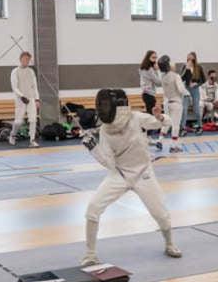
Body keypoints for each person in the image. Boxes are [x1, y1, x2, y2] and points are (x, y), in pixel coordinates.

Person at [80, 89, 181, 265]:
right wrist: (94, 149)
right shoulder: (104, 131)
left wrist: (159, 117)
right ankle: (90, 255)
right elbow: (109, 163)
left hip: (143, 173)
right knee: (93, 208)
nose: (103, 110)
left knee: (161, 215)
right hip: (119, 174)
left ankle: (170, 244)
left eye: (106, 106)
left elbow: (166, 123)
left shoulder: (136, 118)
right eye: (102, 106)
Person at [9, 51, 40, 147]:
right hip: (20, 100)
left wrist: (37, 99)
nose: (26, 61)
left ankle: (32, 140)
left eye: (28, 59)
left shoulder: (31, 71)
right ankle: (13, 135)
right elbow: (14, 87)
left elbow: (34, 86)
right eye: (25, 59)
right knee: (18, 121)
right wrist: (22, 96)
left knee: (33, 120)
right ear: (20, 59)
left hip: (31, 98)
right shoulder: (15, 71)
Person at [158, 54, 188, 152]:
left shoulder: (163, 77)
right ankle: (173, 146)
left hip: (167, 103)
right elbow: (181, 90)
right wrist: (187, 93)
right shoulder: (176, 76)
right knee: (176, 125)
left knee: (167, 122)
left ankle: (160, 140)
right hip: (176, 103)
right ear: (168, 65)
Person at [182, 52, 206, 133]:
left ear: (194, 59)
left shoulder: (199, 67)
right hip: (186, 89)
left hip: (195, 89)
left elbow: (203, 80)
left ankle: (200, 126)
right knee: (184, 108)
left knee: (196, 108)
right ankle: (182, 127)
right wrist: (187, 69)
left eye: (191, 58)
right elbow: (181, 78)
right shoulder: (185, 66)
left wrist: (196, 84)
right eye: (188, 58)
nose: (189, 60)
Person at [138, 50, 161, 116]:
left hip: (146, 94)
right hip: (149, 94)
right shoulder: (149, 69)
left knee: (150, 115)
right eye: (153, 57)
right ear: (148, 58)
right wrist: (157, 71)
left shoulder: (142, 68)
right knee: (152, 116)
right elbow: (158, 82)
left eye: (156, 58)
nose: (155, 60)